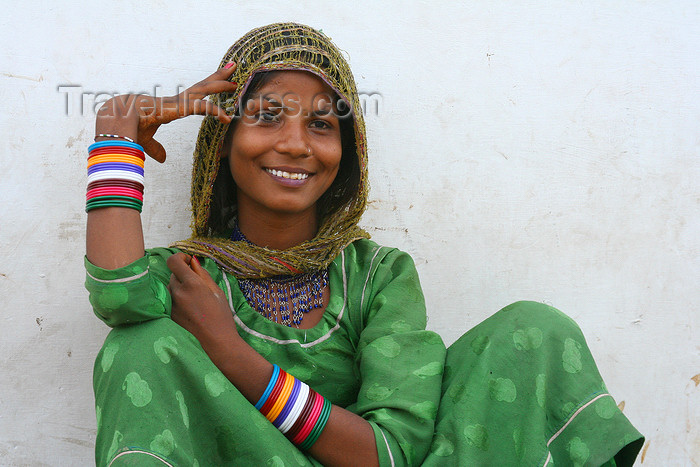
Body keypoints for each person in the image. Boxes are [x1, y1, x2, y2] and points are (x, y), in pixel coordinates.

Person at [85, 23, 644, 466]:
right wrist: (116, 134)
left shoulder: (377, 275)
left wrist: (232, 351)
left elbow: (391, 453)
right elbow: (120, 297)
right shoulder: (190, 277)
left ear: (347, 156)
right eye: (267, 117)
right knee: (138, 344)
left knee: (534, 330)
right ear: (222, 142)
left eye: (323, 125)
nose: (296, 144)